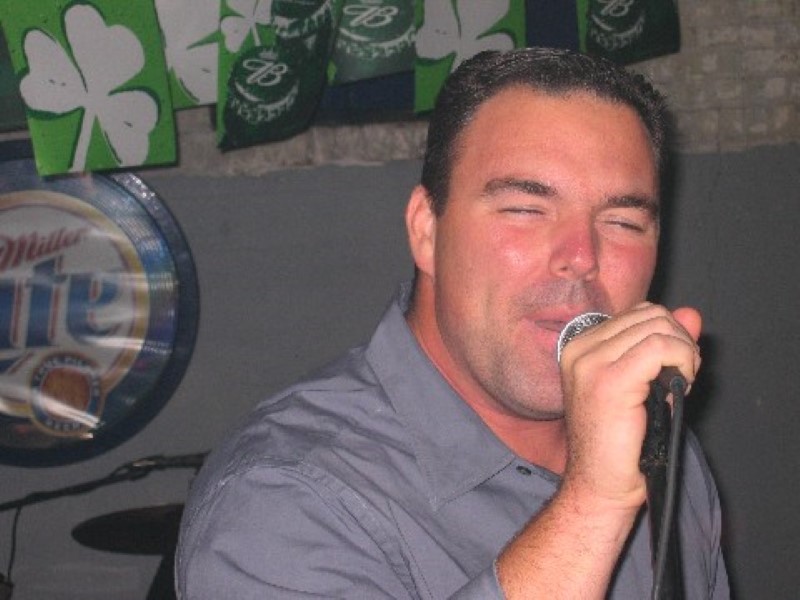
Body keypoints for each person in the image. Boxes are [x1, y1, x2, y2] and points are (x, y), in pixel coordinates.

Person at [176, 47, 729, 599]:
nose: (581, 256)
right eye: (525, 209)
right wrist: (594, 505)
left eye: (623, 221)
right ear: (427, 231)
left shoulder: (660, 444)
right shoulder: (280, 500)